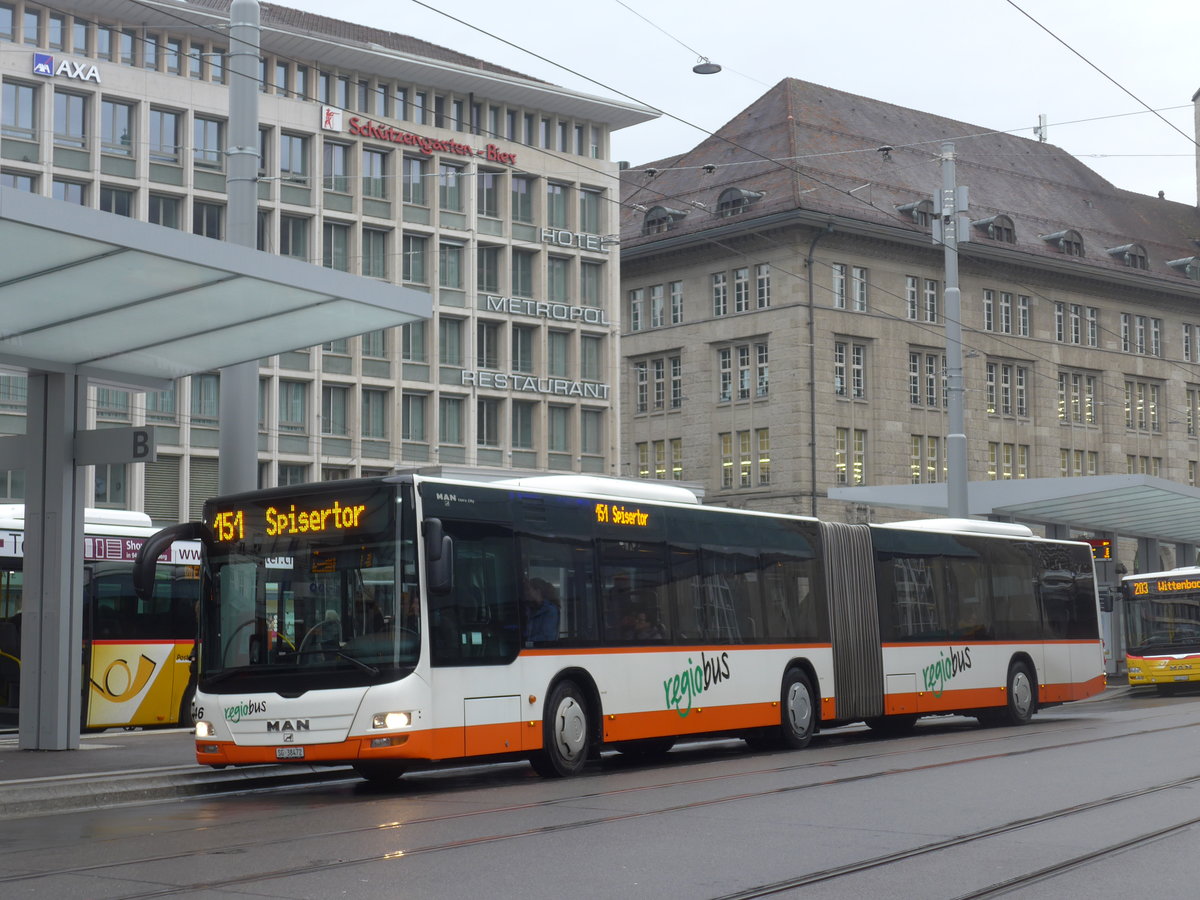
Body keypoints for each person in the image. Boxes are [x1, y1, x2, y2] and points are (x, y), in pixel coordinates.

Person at [524, 577, 560, 643]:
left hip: (542, 649)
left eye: (528, 589)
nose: (526, 593)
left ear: (537, 591)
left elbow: (547, 637)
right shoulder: (531, 608)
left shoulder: (550, 610)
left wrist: (526, 641)